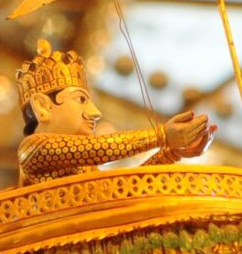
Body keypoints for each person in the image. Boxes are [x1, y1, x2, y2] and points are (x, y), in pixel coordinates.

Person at [14, 41, 214, 183]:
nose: (95, 112)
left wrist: (170, 154)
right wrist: (161, 136)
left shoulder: (85, 167)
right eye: (80, 100)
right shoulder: (32, 149)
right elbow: (101, 148)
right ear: (43, 107)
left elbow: (123, 189)